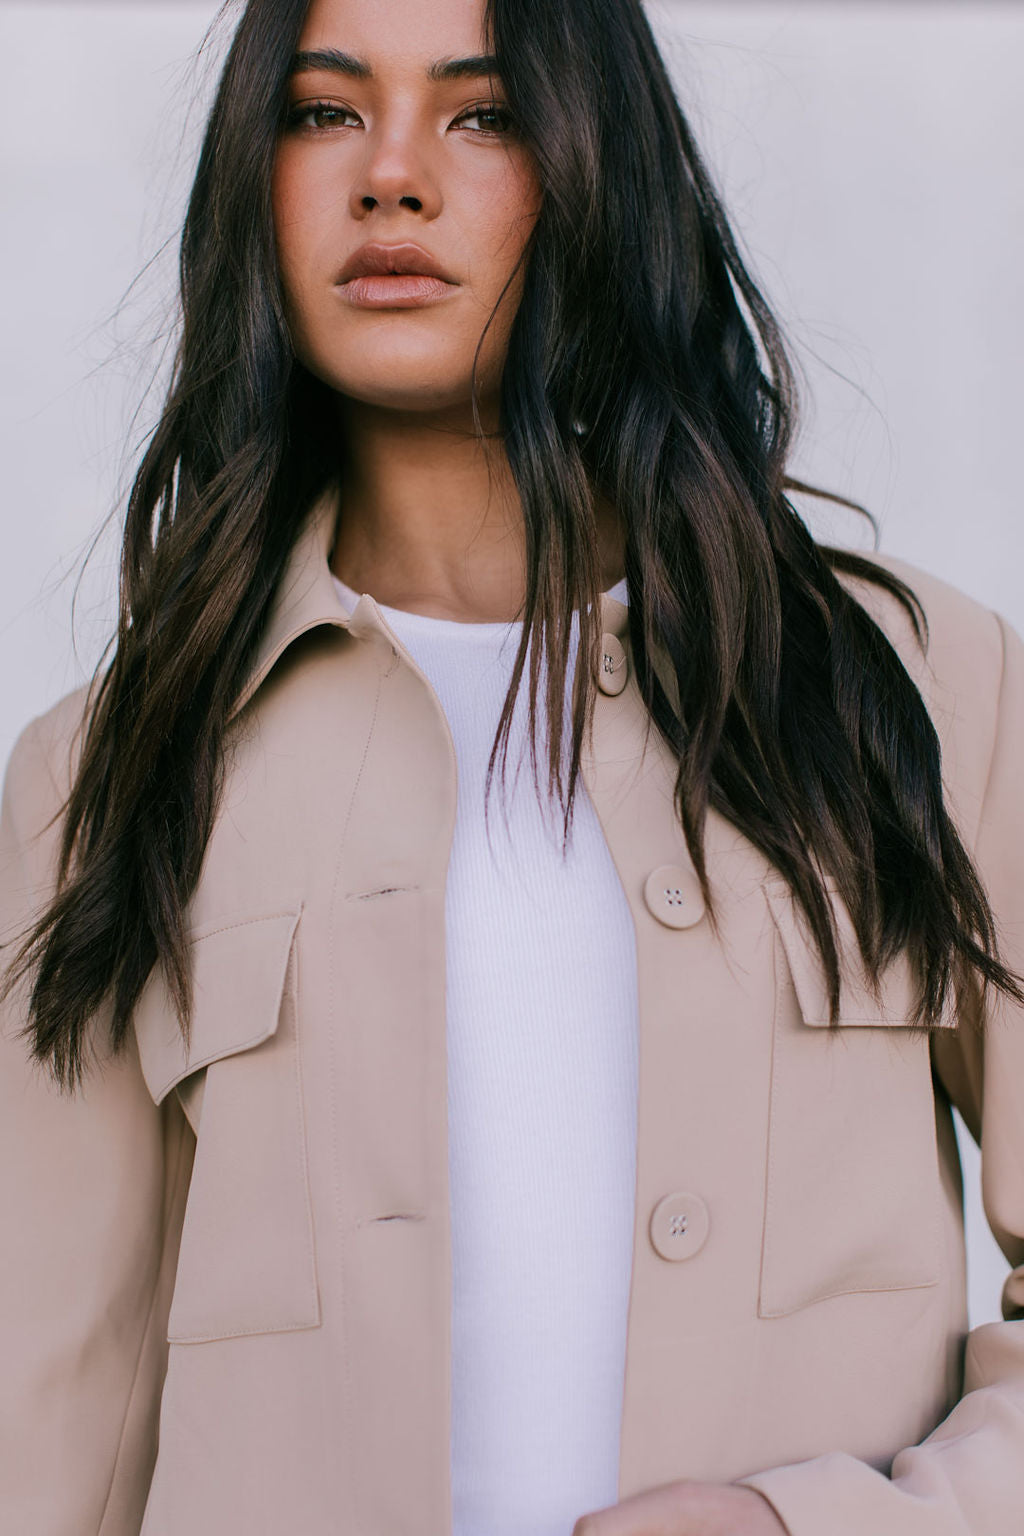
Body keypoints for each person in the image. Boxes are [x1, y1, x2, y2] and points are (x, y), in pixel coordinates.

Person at [1, 0, 1022, 1532]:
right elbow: (49, 1411)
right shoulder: (105, 774)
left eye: (482, 115)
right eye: (323, 112)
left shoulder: (925, 686)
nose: (391, 176)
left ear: (600, 171)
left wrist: (832, 1525)